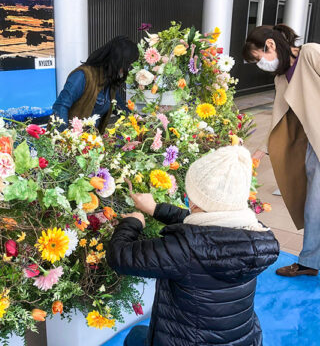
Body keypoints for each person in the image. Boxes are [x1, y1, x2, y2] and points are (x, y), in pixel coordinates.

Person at [107, 146, 279, 346]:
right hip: (242, 340)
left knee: (135, 335)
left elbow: (119, 256)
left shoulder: (185, 250)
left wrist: (132, 223)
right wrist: (156, 209)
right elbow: (206, 225)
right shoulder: (255, 233)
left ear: (196, 203)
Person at [243, 24, 320, 277]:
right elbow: (279, 117)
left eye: (258, 58)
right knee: (314, 207)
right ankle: (309, 262)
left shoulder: (310, 53)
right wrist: (260, 151)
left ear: (271, 45)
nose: (259, 65)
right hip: (312, 145)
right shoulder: (281, 78)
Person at [52, 36, 138, 133]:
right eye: (128, 65)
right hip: (72, 141)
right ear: (118, 62)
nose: (128, 69)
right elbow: (60, 106)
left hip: (90, 142)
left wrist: (138, 121)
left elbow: (120, 109)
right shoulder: (82, 76)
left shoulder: (109, 81)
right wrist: (64, 137)